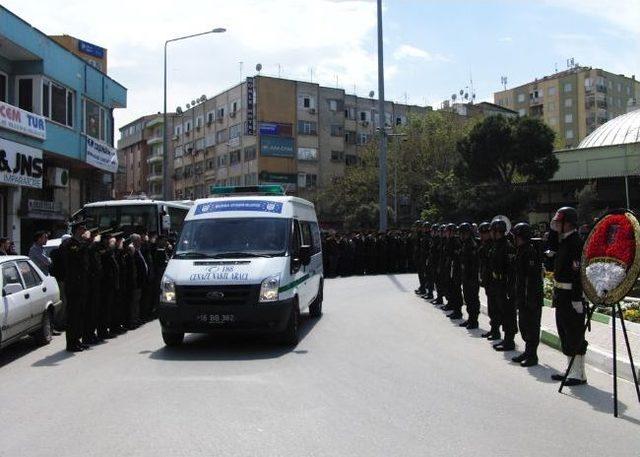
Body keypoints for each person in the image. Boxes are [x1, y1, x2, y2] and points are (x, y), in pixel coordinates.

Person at [547, 207, 588, 385]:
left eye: (560, 222)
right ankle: (570, 369)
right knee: (564, 332)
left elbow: (578, 273)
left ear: (568, 223)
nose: (557, 225)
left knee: (575, 334)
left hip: (571, 296)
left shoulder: (576, 243)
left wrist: (577, 298)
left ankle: (579, 374)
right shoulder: (563, 241)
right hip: (561, 295)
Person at [510, 223, 544, 367]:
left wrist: (528, 298)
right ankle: (527, 351)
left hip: (531, 296)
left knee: (532, 325)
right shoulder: (521, 250)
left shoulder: (530, 252)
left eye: (516, 236)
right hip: (523, 295)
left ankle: (532, 355)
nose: (514, 239)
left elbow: (531, 279)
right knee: (524, 324)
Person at [61, 219, 90, 352]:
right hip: (73, 286)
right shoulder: (70, 243)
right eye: (83, 229)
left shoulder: (79, 243)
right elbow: (77, 254)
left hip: (81, 284)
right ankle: (71, 344)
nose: (85, 231)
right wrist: (87, 241)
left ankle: (77, 340)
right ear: (77, 230)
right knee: (73, 316)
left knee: (80, 315)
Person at [489, 219, 516, 351]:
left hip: (505, 284)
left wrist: (509, 289)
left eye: (493, 231)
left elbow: (511, 270)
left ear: (497, 231)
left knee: (508, 313)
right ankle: (505, 339)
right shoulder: (497, 245)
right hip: (497, 283)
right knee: (501, 311)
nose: (491, 234)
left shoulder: (507, 246)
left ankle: (509, 341)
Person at [458, 222, 480, 329]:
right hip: (466, 276)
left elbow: (474, 264)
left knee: (473, 299)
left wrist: (471, 277)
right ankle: (470, 318)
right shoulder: (465, 244)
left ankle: (474, 320)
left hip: (471, 277)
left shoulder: (472, 245)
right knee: (467, 298)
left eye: (464, 233)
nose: (462, 235)